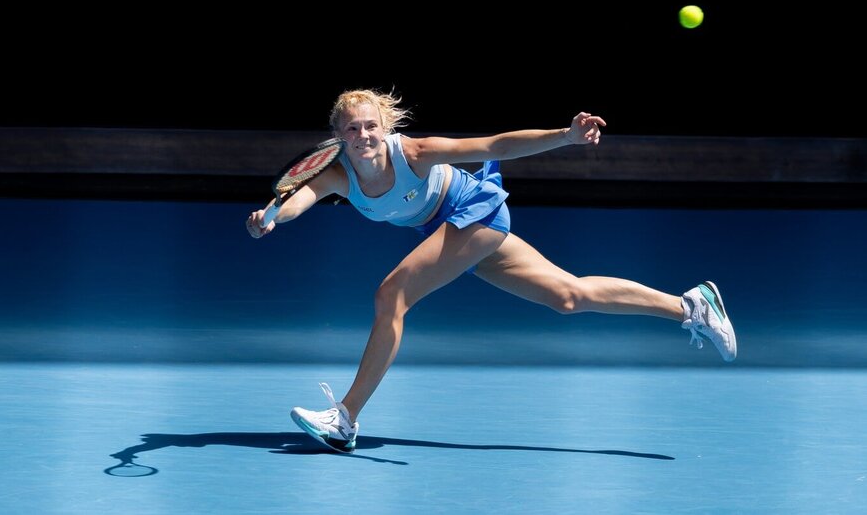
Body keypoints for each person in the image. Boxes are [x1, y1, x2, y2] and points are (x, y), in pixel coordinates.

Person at [246, 89, 737, 453]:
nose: (363, 135)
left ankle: (345, 418)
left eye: (370, 125)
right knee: (566, 297)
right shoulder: (337, 175)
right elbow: (298, 200)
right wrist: (270, 218)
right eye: (352, 129)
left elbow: (495, 144)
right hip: (448, 228)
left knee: (391, 295)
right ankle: (691, 305)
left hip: (472, 210)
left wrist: (564, 136)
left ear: (386, 128)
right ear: (338, 138)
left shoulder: (414, 153)